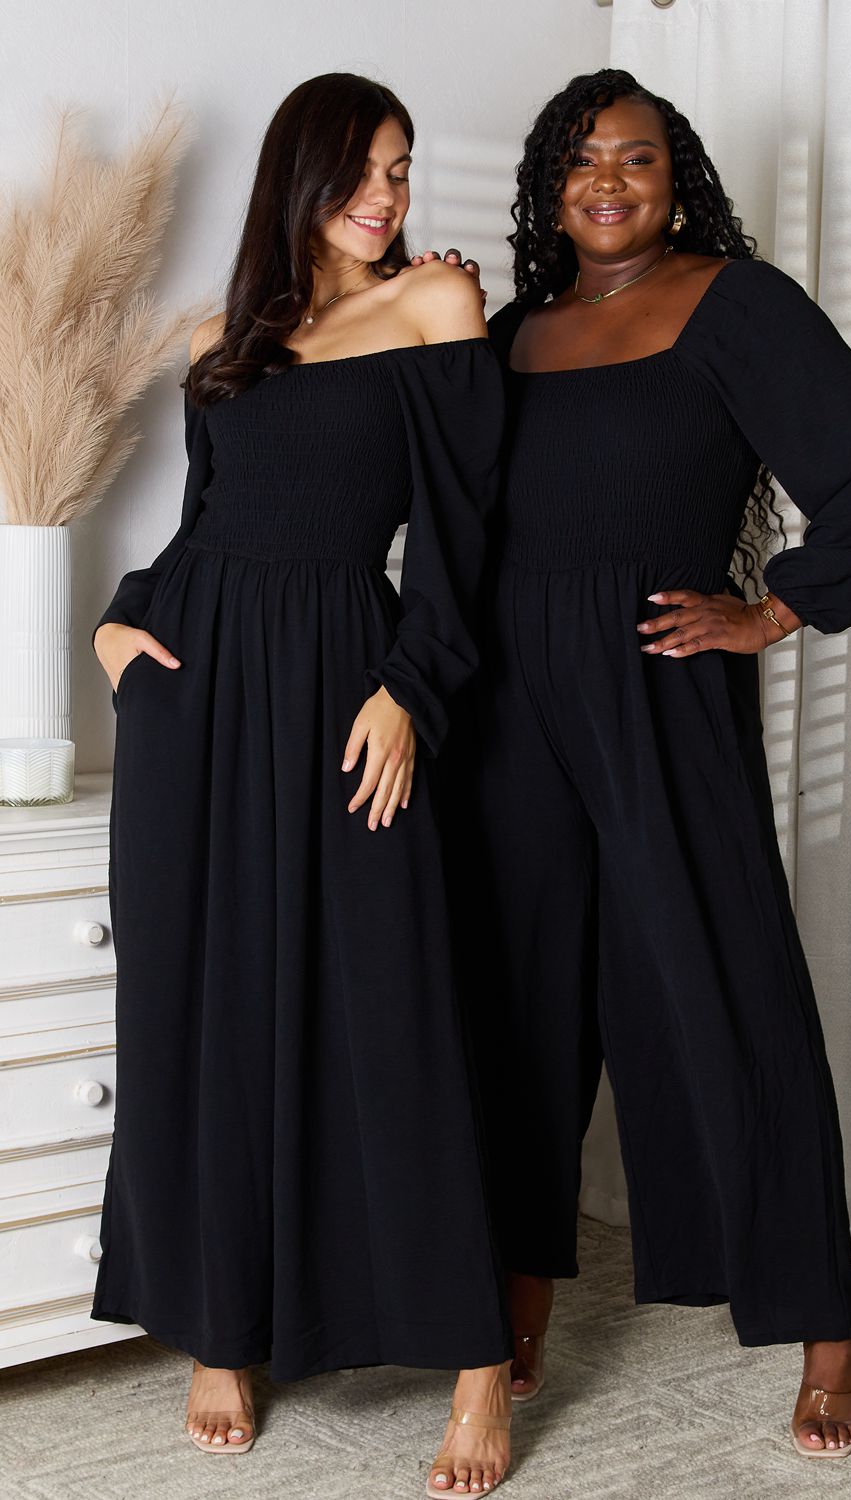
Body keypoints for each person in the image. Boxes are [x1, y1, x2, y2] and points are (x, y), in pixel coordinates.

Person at [428, 68, 851, 1460]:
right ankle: (518, 1288)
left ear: (678, 179)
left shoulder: (735, 304)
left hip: (659, 682)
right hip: (508, 702)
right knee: (517, 998)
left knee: (728, 983)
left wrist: (770, 610)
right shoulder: (512, 333)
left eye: (638, 157)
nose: (609, 180)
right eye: (581, 159)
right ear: (547, 187)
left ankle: (824, 1326)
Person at [91, 73, 513, 1495]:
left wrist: (411, 686)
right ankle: (223, 1325)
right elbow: (200, 525)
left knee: (394, 1003)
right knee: (203, 1002)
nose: (388, 196)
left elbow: (464, 535)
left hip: (346, 679)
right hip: (196, 692)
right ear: (301, 178)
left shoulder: (435, 306)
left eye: (401, 167)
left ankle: (475, 1357)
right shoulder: (222, 339)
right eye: (362, 172)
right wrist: (119, 621)